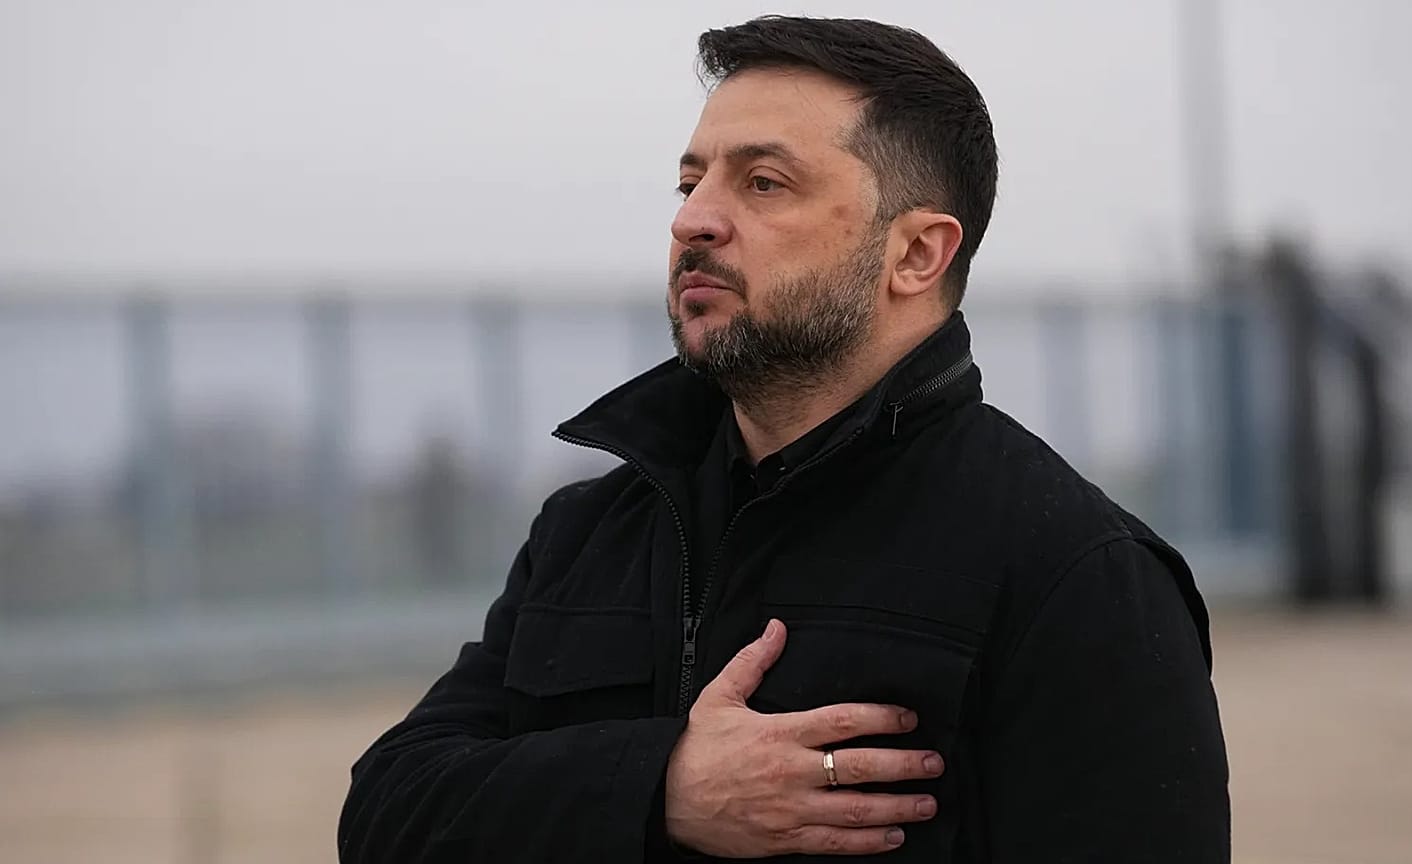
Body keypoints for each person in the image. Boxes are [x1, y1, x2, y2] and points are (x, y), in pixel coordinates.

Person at [339, 15, 1229, 863]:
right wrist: (662, 790)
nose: (693, 221)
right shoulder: (586, 533)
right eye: (690, 184)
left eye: (763, 182)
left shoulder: (1075, 572)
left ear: (917, 254)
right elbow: (387, 815)